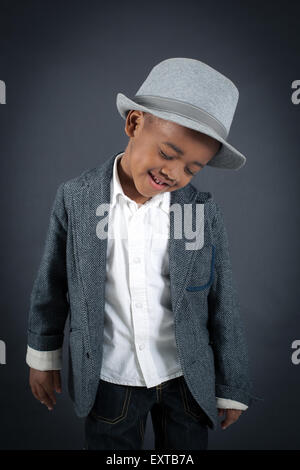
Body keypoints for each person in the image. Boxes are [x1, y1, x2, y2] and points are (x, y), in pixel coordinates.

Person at [26, 57, 262, 450]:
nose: (174, 173)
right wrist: (43, 355)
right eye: (168, 153)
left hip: (185, 380)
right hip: (110, 379)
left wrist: (231, 383)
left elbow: (224, 303)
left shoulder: (200, 213)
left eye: (192, 168)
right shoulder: (76, 199)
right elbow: (51, 284)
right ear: (134, 124)